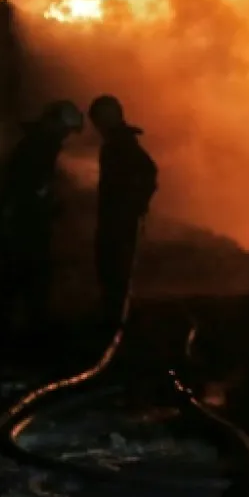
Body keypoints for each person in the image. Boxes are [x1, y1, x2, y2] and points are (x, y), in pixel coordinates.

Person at [0, 100, 83, 340]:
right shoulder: (38, 146)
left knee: (18, 277)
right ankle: (22, 332)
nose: (66, 136)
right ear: (55, 124)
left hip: (26, 222)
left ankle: (7, 329)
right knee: (26, 275)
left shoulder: (39, 143)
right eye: (65, 130)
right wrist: (41, 204)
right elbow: (23, 187)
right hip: (25, 224)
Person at [89, 94, 158, 330]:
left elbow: (148, 172)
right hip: (117, 218)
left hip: (119, 220)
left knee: (115, 269)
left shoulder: (120, 145)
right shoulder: (118, 143)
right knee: (113, 269)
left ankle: (115, 323)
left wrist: (134, 205)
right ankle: (115, 319)